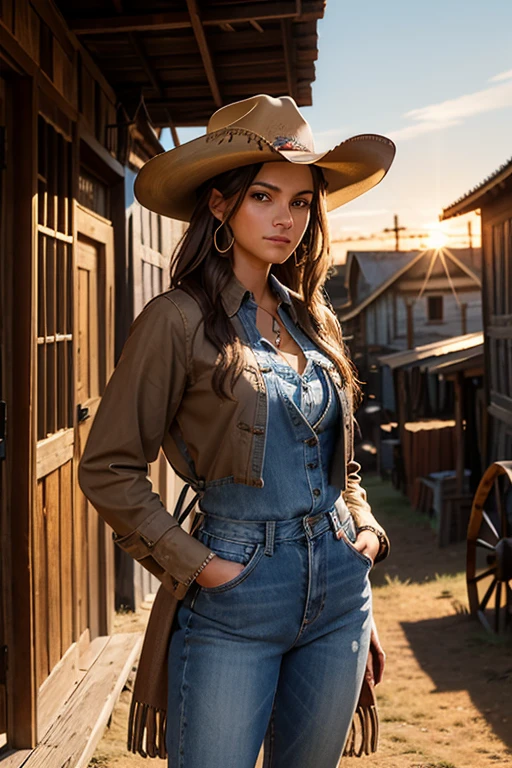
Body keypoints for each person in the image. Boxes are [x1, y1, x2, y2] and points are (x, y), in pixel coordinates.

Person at [79, 94, 395, 768]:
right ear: (219, 205)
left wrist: (362, 530)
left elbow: (332, 455)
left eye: (303, 202)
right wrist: (203, 567)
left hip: (340, 587)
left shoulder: (315, 321)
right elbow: (107, 467)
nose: (288, 218)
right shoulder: (176, 320)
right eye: (263, 195)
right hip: (237, 589)